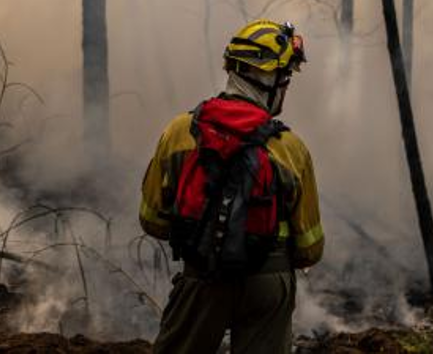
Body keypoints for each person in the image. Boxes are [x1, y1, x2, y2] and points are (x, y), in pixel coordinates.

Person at [139, 19, 324, 354]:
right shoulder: (291, 148)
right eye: (286, 79)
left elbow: (152, 220)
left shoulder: (179, 132)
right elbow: (310, 248)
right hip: (268, 282)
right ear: (271, 79)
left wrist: (204, 234)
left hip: (201, 278)